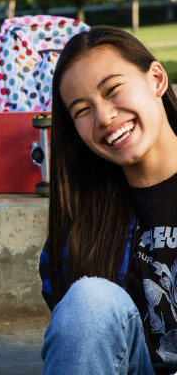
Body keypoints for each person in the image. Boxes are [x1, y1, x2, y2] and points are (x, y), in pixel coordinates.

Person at [39, 25, 177, 374]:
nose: (104, 117)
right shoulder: (83, 225)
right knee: (88, 301)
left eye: (112, 89)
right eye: (82, 111)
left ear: (156, 80)